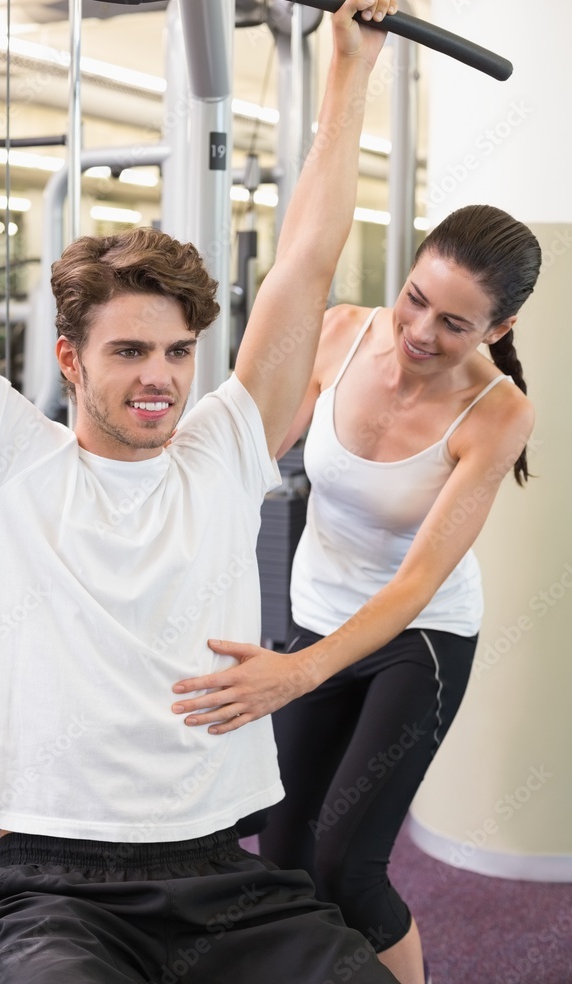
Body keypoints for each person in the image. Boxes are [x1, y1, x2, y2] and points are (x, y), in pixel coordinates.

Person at [0, 0, 402, 983]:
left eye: (178, 350)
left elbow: (303, 269)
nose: (162, 376)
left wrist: (349, 68)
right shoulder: (4, 460)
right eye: (130, 350)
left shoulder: (224, 450)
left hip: (227, 876)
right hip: (57, 891)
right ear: (71, 360)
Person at [170, 204, 542, 984]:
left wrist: (298, 670)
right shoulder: (340, 333)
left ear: (497, 330)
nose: (418, 331)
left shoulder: (498, 413)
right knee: (283, 853)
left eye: (453, 323)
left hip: (419, 637)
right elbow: (254, 455)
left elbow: (417, 582)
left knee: (347, 868)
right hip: (318, 615)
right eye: (413, 297)